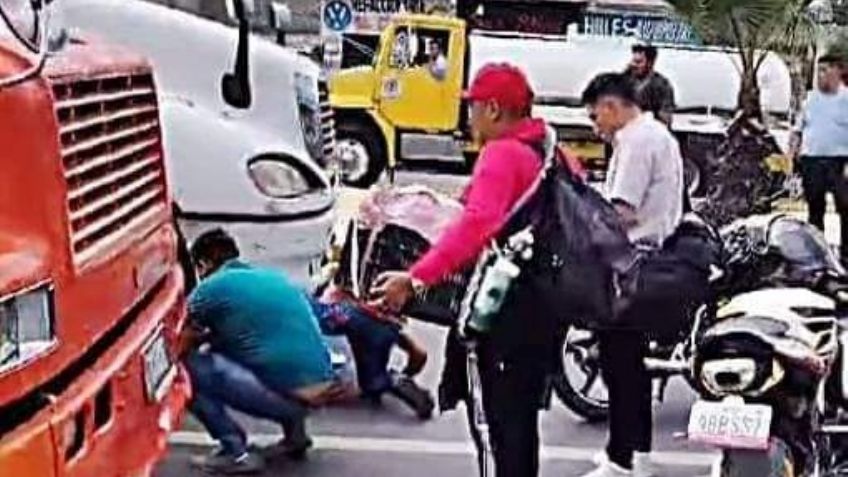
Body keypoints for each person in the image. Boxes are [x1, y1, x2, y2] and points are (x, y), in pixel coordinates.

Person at [371, 63, 558, 477]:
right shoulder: (545, 152)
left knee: (494, 430)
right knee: (520, 428)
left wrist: (415, 277)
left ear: (493, 109)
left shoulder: (502, 153)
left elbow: (478, 224)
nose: (468, 117)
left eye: (472, 107)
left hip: (502, 314)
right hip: (540, 311)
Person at [579, 73, 684, 477]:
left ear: (611, 105)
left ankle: (623, 461)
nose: (596, 128)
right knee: (629, 367)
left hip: (629, 264)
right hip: (650, 259)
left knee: (621, 366)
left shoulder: (636, 141)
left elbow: (620, 211)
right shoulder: (658, 134)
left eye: (595, 118)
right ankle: (631, 455)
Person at [183, 229, 353, 475]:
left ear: (203, 264)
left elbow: (182, 341)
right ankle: (296, 437)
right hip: (325, 386)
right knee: (271, 354)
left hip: (290, 398)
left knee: (189, 369)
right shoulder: (272, 278)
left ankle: (235, 452)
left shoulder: (208, 289)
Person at [308, 286, 436, 419]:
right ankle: (387, 380)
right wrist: (407, 373)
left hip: (349, 316)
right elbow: (420, 355)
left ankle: (389, 381)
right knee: (372, 379)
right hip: (365, 319)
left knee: (373, 382)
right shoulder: (391, 324)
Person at [791, 54, 848, 260]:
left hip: (839, 162)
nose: (821, 76)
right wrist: (792, 155)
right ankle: (817, 254)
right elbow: (798, 130)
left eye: (825, 71)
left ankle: (845, 255)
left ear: (838, 72)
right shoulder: (811, 100)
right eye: (819, 71)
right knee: (815, 209)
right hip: (812, 160)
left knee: (845, 208)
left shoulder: (846, 99)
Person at [626, 44, 675, 128]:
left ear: (650, 63)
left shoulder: (662, 86)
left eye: (638, 62)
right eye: (633, 61)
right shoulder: (625, 81)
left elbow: (665, 119)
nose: (633, 65)